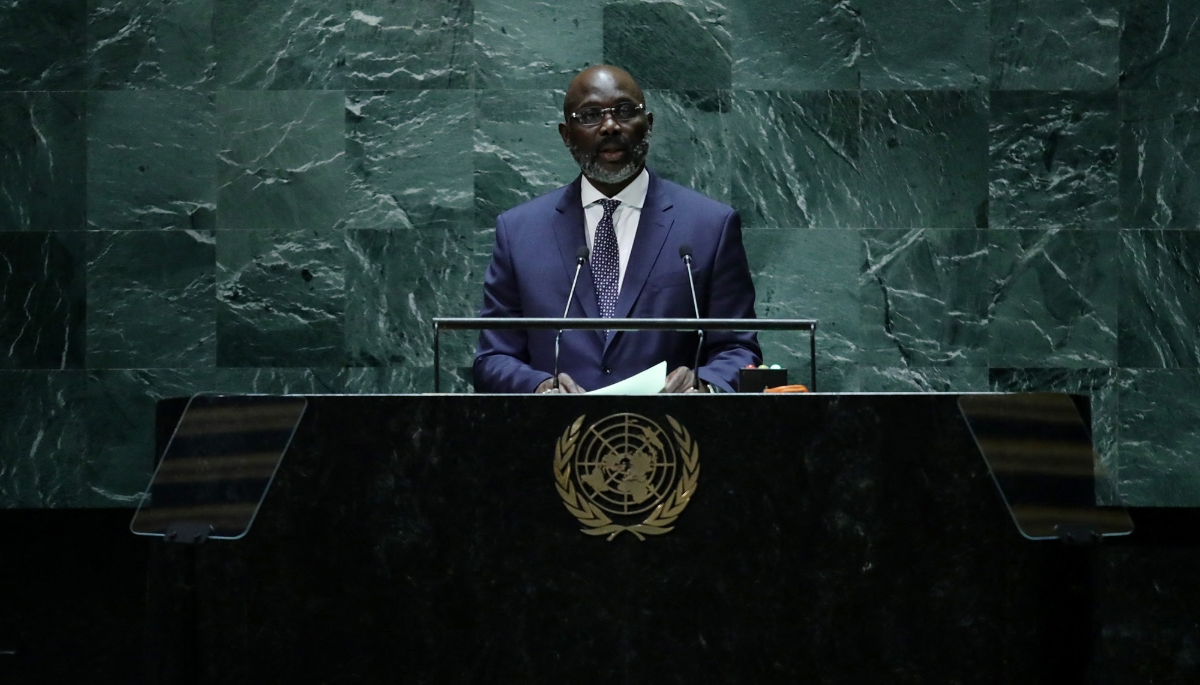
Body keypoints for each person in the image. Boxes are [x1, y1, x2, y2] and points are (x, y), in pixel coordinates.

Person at [473, 65, 761, 394]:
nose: (610, 125)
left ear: (648, 126)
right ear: (566, 136)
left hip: (672, 436)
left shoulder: (710, 226)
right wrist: (539, 388)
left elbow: (739, 350)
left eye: (625, 111)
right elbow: (493, 357)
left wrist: (703, 384)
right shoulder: (519, 232)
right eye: (590, 115)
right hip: (553, 437)